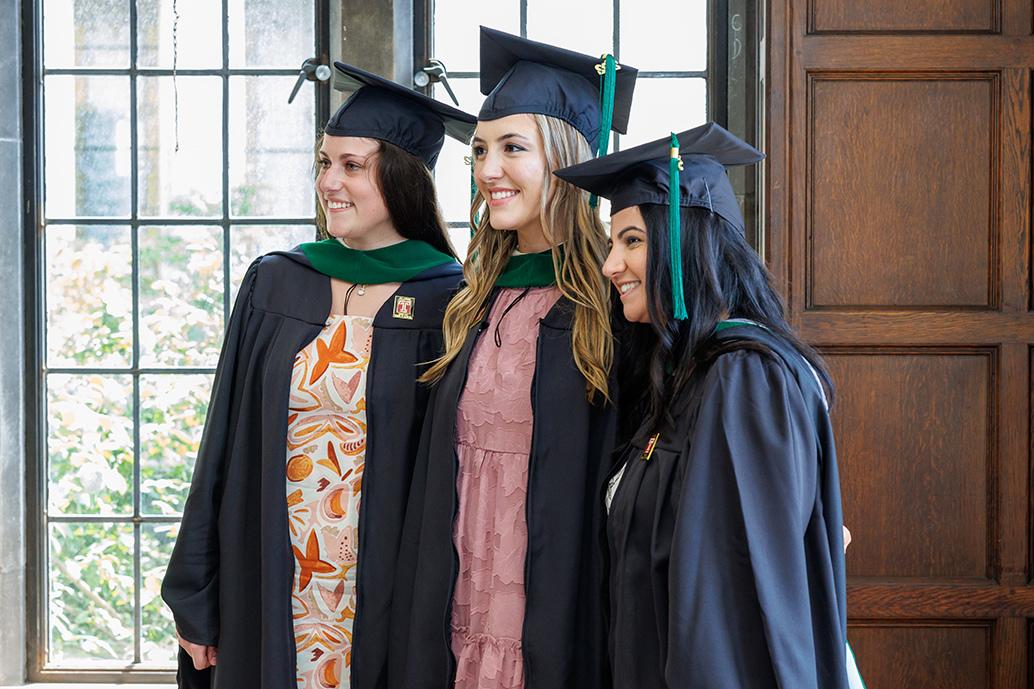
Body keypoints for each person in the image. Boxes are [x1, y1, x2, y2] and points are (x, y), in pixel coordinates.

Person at [161, 63, 477, 689]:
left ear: (404, 178)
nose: (329, 181)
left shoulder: (453, 299)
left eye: (353, 165)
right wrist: (195, 594)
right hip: (268, 579)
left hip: (386, 594)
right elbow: (218, 446)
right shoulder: (277, 281)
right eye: (324, 163)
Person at [553, 122, 851, 688]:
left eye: (632, 241)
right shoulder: (686, 376)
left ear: (688, 245)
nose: (610, 264)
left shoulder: (746, 378)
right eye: (612, 242)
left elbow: (734, 600)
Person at [387, 27, 637, 689]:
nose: (488, 170)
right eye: (480, 150)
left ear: (567, 159)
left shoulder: (614, 308)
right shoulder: (468, 301)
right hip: (458, 595)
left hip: (560, 609)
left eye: (512, 148)